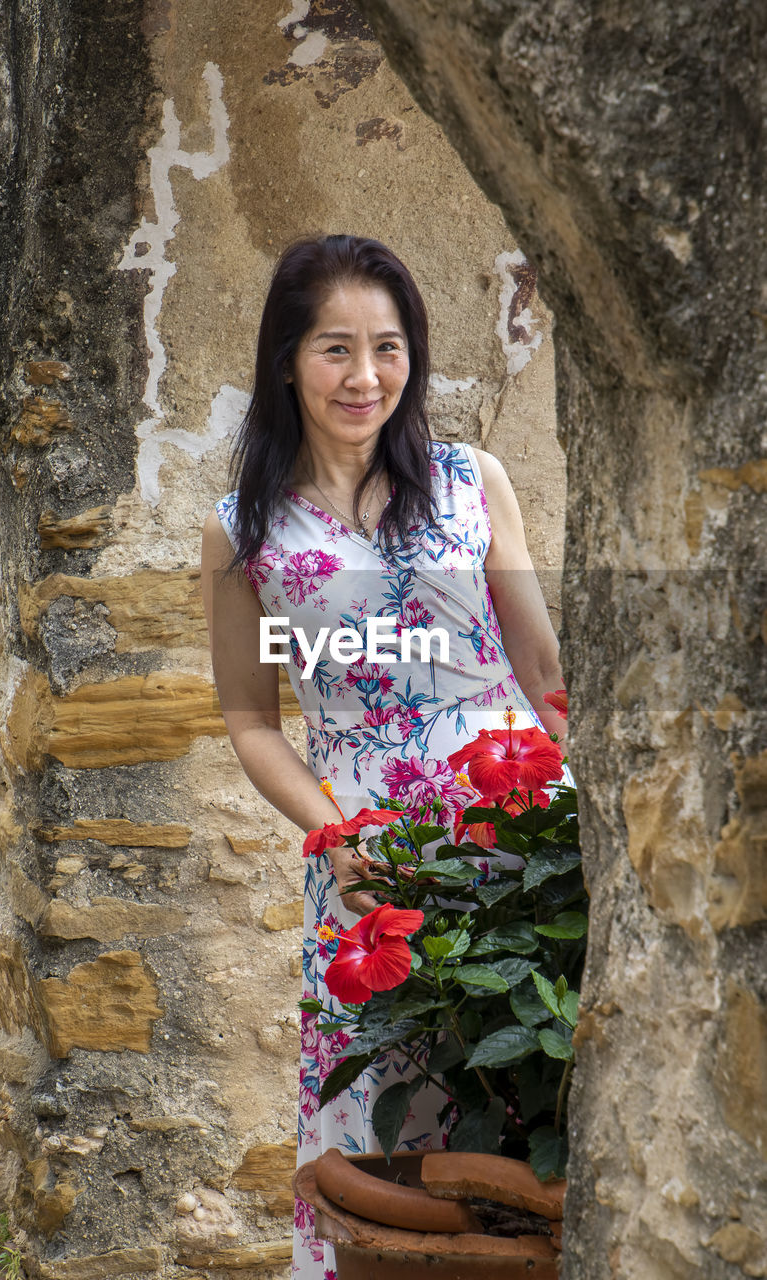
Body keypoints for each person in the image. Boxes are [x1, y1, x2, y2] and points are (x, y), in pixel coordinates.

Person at [202, 234, 566, 1279]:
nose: (366, 377)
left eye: (388, 347)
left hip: (521, 839)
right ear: (285, 359)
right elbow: (250, 718)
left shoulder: (471, 478)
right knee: (383, 1122)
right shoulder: (244, 530)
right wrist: (337, 836)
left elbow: (540, 663)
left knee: (525, 1109)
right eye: (334, 349)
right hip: (370, 862)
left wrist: (595, 812)